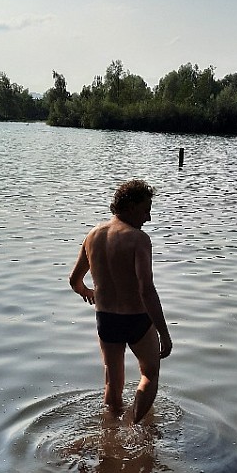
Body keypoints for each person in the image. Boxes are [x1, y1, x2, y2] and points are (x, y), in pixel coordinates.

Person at [69, 179, 172, 423]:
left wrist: (91, 293)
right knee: (150, 374)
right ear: (131, 206)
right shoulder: (138, 239)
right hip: (136, 318)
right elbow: (146, 289)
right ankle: (135, 430)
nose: (148, 217)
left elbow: (75, 281)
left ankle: (111, 432)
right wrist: (164, 333)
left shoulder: (93, 235)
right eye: (146, 209)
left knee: (112, 383)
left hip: (106, 320)